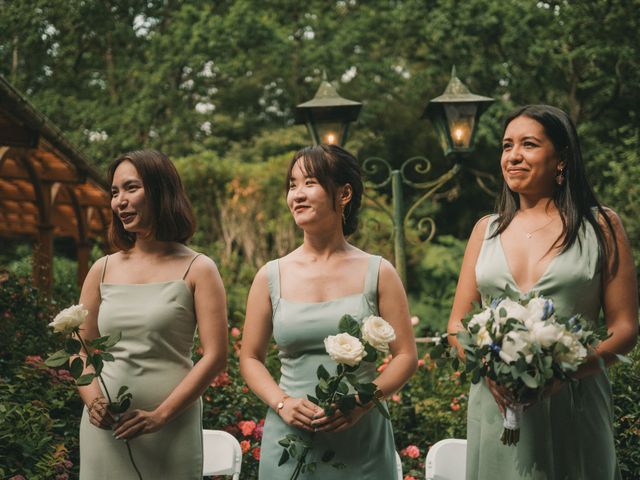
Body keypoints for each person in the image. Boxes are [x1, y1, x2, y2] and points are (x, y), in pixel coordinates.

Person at [447, 105, 638, 479]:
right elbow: (457, 322)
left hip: (575, 401)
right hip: (497, 405)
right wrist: (488, 368)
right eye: (507, 146)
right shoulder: (484, 230)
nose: (513, 155)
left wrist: (560, 375)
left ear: (561, 158)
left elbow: (625, 329)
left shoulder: (601, 226)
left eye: (528, 144)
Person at [240, 144, 418, 479]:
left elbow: (406, 355)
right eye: (292, 185)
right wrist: (282, 403)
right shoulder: (270, 276)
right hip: (290, 439)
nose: (297, 195)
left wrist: (360, 404)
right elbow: (250, 358)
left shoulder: (379, 272)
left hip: (362, 440)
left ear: (344, 193)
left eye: (310, 183)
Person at [76, 149, 228, 479]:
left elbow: (215, 356)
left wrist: (161, 415)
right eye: (115, 192)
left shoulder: (199, 269)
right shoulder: (101, 270)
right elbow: (80, 348)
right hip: (107, 431)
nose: (120, 201)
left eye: (131, 188)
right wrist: (93, 402)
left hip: (171, 428)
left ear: (161, 191)